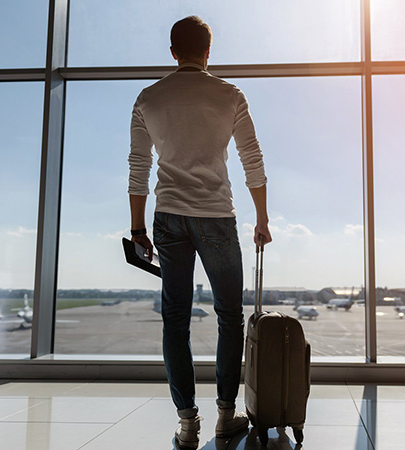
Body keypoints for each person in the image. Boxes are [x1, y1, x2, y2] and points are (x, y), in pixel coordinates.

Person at [127, 16, 272, 450]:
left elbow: (138, 168)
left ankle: (187, 423)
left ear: (172, 51)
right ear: (209, 51)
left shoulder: (148, 98)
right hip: (215, 216)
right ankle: (226, 416)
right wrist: (262, 218)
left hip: (168, 216)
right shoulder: (230, 95)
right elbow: (252, 158)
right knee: (229, 316)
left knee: (175, 320)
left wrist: (137, 227)